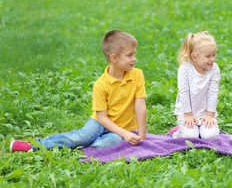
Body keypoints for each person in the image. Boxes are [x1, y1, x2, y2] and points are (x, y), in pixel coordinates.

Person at [10, 30, 147, 152]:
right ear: (114, 58)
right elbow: (102, 118)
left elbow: (140, 106)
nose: (134, 58)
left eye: (134, 54)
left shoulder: (137, 75)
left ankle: (86, 147)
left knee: (106, 144)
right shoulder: (100, 84)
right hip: (101, 122)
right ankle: (33, 145)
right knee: (80, 137)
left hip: (124, 127)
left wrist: (142, 136)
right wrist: (124, 135)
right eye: (130, 55)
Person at [172, 31, 220, 139]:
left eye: (214, 55)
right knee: (190, 137)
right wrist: (188, 115)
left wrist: (210, 115)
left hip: (205, 113)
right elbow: (184, 92)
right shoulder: (185, 69)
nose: (212, 59)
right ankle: (179, 132)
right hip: (187, 113)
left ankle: (200, 129)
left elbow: (213, 92)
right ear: (194, 57)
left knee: (210, 136)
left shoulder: (214, 68)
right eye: (208, 56)